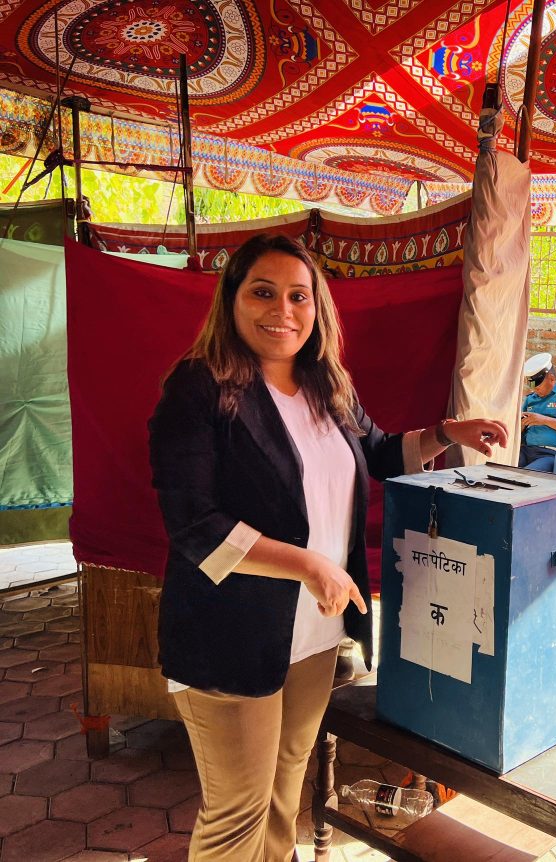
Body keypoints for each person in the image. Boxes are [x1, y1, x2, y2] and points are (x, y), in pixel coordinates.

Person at [148, 233, 507, 862]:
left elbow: (378, 452)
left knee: (285, 793)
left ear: (318, 308)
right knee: (238, 815)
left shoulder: (325, 385)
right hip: (229, 635)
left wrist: (446, 433)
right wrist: (307, 564)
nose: (282, 311)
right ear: (231, 299)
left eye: (298, 296)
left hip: (313, 634)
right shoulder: (200, 388)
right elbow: (194, 525)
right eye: (263, 293)